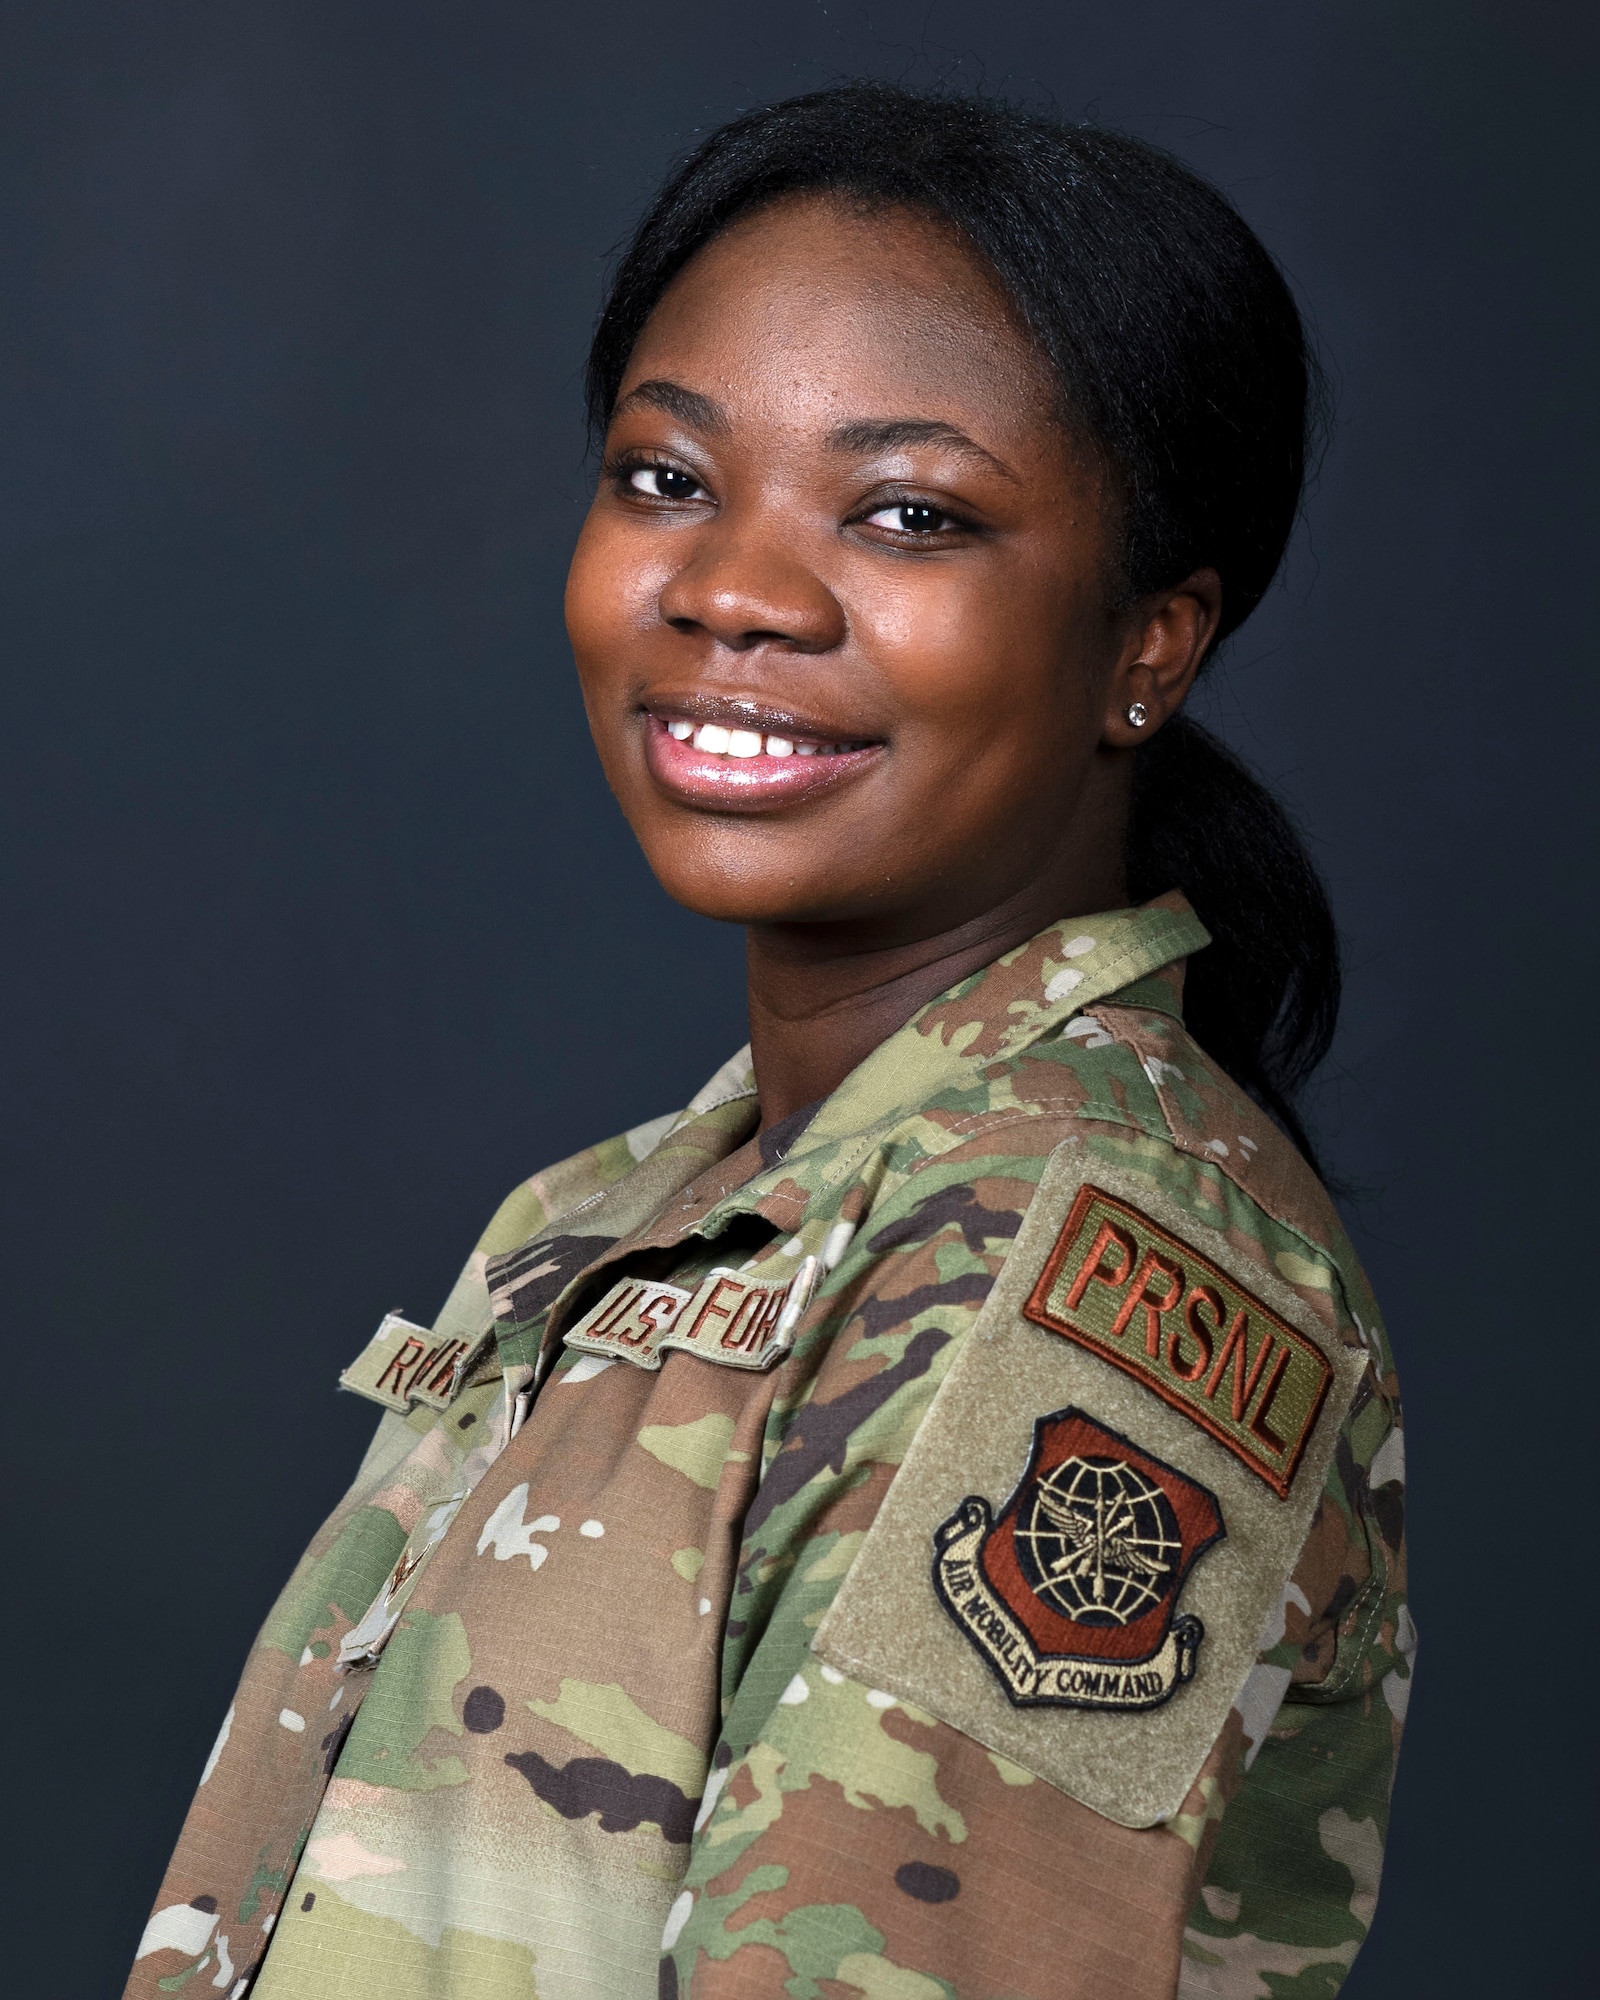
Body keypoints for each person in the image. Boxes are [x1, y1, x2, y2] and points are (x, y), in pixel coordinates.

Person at [125, 83, 1410, 2000]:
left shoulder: (1082, 1286)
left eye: (908, 513)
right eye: (666, 477)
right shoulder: (653, 1206)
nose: (732, 589)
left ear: (1151, 642)